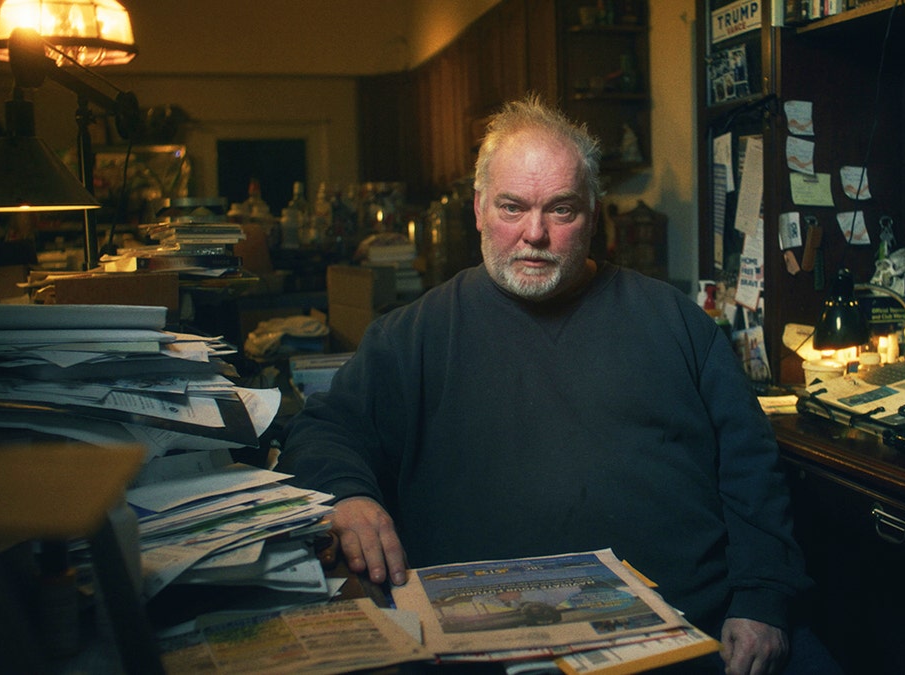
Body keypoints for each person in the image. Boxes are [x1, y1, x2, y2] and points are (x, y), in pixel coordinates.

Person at [279, 95, 833, 674]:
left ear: (593, 213)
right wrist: (349, 496)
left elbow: (752, 466)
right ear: (479, 209)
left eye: (561, 210)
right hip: (487, 647)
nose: (534, 234)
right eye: (512, 207)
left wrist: (761, 599)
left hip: (688, 633)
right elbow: (322, 430)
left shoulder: (676, 322)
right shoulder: (413, 335)